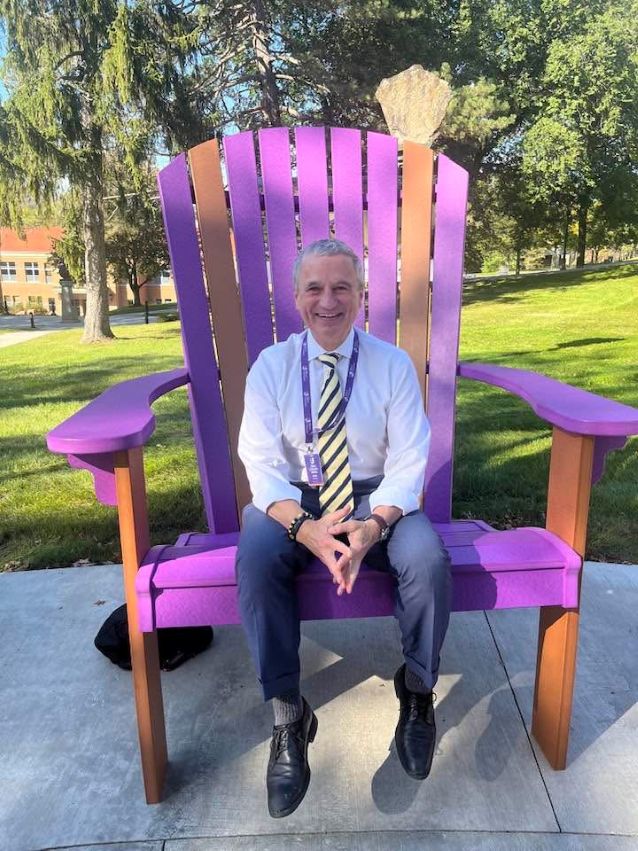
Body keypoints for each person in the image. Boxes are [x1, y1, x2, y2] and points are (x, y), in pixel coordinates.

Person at [236, 238, 452, 819]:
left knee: (427, 561)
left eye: (341, 288)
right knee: (256, 560)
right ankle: (288, 716)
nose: (327, 301)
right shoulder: (272, 367)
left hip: (377, 495)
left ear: (361, 295)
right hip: (290, 500)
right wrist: (305, 528)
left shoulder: (391, 364)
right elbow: (259, 463)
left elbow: (409, 459)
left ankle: (417, 693)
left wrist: (373, 525)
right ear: (296, 296)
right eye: (315, 288)